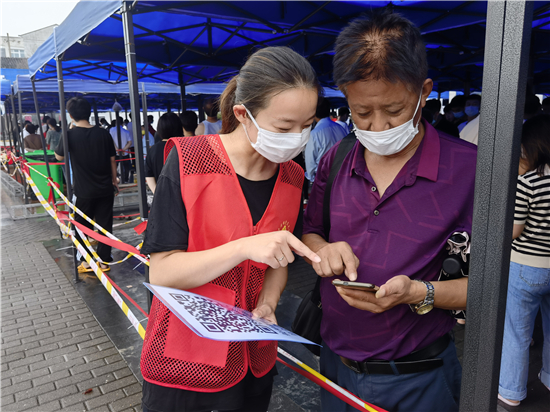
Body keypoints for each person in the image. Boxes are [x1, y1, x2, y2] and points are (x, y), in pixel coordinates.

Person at [302, 11, 477, 412]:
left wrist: (419, 293)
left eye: (395, 111)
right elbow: (311, 231)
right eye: (362, 113)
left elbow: (491, 284)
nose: (378, 127)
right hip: (335, 367)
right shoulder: (337, 157)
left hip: (420, 377)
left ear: (424, 91)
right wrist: (322, 249)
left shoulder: (470, 170)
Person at [139, 46, 321, 412]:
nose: (297, 138)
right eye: (285, 127)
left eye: (308, 126)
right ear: (243, 114)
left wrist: (269, 302)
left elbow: (278, 261)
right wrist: (242, 247)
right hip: (185, 359)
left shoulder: (293, 176)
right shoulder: (189, 161)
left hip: (254, 360)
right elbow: (162, 272)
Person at [498, 114, 550, 407]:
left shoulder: (528, 182)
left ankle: (510, 392)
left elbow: (514, 231)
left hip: (526, 268)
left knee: (516, 334)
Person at [54, 97, 117, 273]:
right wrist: (114, 181)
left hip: (83, 191)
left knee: (81, 227)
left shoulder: (69, 135)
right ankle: (105, 261)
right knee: (105, 225)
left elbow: (59, 157)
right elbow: (113, 160)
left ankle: (87, 261)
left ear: (71, 115)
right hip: (105, 188)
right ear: (89, 113)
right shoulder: (104, 133)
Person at [304, 97, 347, 182]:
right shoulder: (341, 128)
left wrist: (312, 179)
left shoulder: (314, 134)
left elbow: (310, 164)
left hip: (323, 180)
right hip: (342, 177)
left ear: (313, 113)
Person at [144, 112, 183, 194]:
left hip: (163, 196)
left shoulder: (153, 150)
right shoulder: (183, 146)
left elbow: (149, 176)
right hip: (183, 197)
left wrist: (158, 195)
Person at [109, 117, 132, 183]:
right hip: (125, 153)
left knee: (114, 166)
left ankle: (114, 179)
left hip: (115, 152)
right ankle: (126, 180)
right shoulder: (126, 131)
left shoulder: (111, 130)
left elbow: (111, 141)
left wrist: (117, 149)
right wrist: (123, 149)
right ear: (123, 123)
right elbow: (130, 142)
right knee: (126, 167)